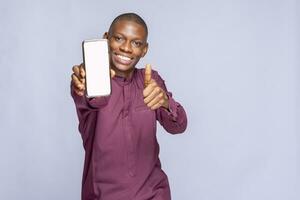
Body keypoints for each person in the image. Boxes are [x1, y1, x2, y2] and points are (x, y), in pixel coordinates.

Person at [71, 13, 187, 200]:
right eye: (119, 38)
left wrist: (165, 102)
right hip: (102, 195)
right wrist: (84, 82)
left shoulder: (150, 80)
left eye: (136, 43)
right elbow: (94, 100)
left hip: (153, 193)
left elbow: (179, 126)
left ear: (145, 50)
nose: (126, 48)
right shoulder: (88, 80)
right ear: (106, 38)